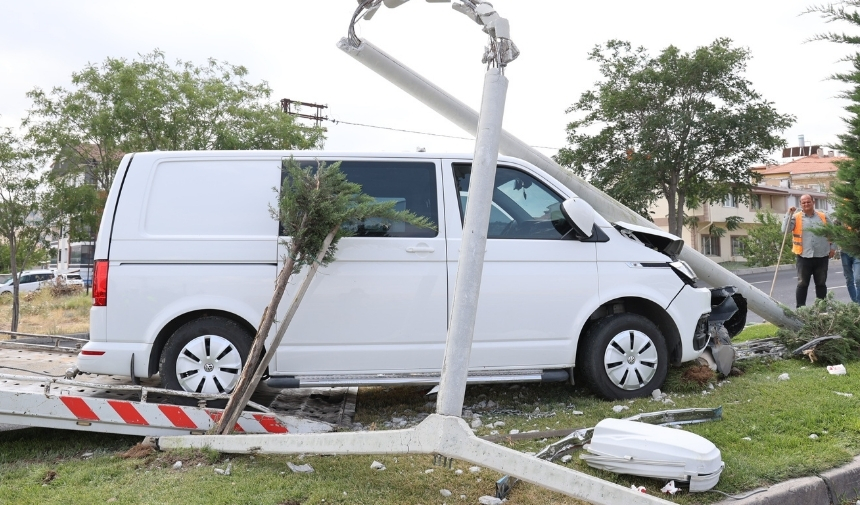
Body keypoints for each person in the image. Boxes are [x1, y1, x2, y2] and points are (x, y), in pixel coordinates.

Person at [782, 194, 836, 307]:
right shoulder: (795, 217)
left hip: (821, 255)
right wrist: (788, 214)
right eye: (803, 202)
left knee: (821, 284)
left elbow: (833, 233)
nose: (806, 204)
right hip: (803, 256)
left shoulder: (823, 216)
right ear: (800, 204)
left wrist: (833, 248)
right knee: (802, 283)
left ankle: (821, 309)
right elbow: (785, 230)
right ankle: (801, 309)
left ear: (813, 202)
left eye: (808, 202)